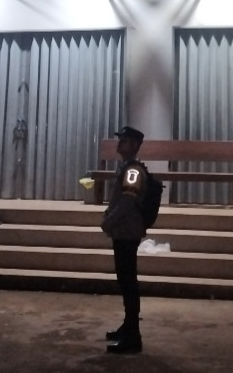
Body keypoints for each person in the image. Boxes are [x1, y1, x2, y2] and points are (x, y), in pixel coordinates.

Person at [100, 126, 147, 354]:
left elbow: (128, 202)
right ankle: (128, 327)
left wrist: (109, 221)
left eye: (125, 140)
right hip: (123, 231)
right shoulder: (127, 168)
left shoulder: (133, 171)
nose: (120, 143)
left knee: (128, 282)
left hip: (127, 232)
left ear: (134, 145)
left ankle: (133, 337)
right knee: (125, 279)